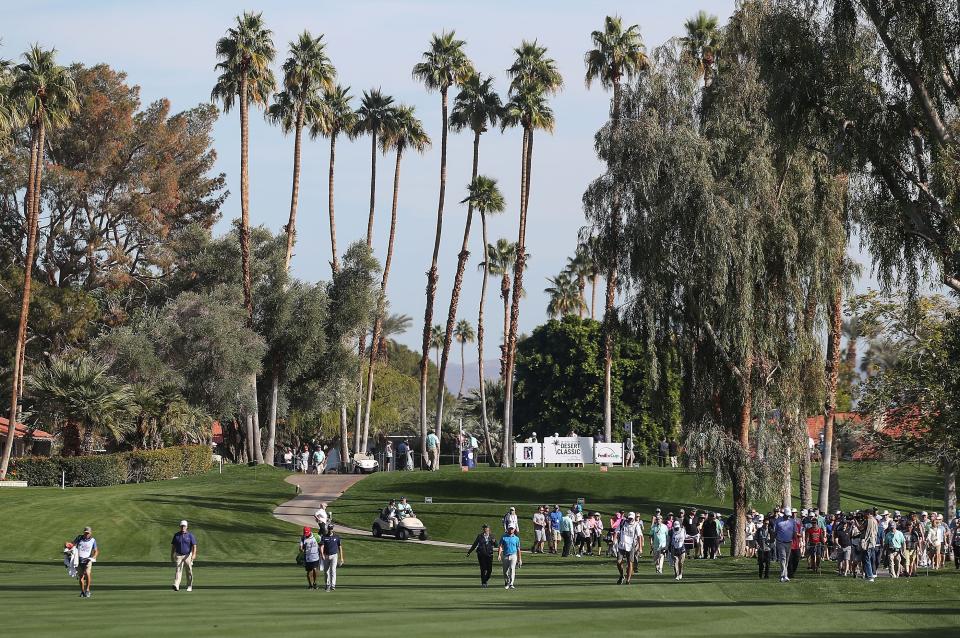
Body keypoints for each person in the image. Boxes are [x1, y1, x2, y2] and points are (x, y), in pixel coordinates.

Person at [171, 519, 197, 592]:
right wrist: (172, 555)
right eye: (182, 526)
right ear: (180, 526)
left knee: (189, 571)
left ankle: (189, 586)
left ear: (187, 527)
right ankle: (176, 585)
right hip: (178, 555)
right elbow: (173, 546)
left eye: (184, 526)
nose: (183, 528)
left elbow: (194, 546)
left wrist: (194, 554)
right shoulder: (176, 535)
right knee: (178, 570)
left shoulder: (190, 535)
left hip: (188, 555)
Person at [615, 512, 640, 585]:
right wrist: (614, 540)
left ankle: (628, 580)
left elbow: (639, 536)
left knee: (630, 563)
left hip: (631, 546)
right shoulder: (622, 523)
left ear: (634, 518)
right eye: (629, 518)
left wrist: (640, 547)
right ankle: (622, 575)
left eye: (631, 518)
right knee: (618, 562)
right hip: (622, 545)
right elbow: (616, 531)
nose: (630, 519)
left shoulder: (636, 525)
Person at [73, 526, 99, 598]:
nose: (86, 534)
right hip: (78, 560)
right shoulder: (79, 538)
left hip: (88, 560)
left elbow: (96, 551)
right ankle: (82, 591)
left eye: (88, 533)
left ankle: (87, 590)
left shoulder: (93, 540)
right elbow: (73, 545)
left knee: (87, 574)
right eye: (85, 533)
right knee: (81, 576)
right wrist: (68, 546)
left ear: (90, 533)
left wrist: (93, 557)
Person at [320, 525, 344, 591]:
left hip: (334, 555)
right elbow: (321, 546)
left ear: (333, 529)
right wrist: (322, 554)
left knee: (333, 570)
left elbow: (340, 547)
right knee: (326, 571)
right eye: (329, 529)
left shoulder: (337, 537)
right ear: (327, 529)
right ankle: (327, 584)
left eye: (331, 529)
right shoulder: (324, 537)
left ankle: (333, 585)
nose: (330, 530)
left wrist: (341, 557)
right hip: (326, 555)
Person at [497, 525, 522, 589]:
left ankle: (511, 583)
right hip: (505, 555)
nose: (511, 530)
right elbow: (500, 546)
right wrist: (499, 555)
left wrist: (520, 559)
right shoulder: (503, 537)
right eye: (510, 529)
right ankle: (507, 582)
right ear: (507, 529)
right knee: (505, 571)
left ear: (514, 530)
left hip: (513, 555)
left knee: (512, 569)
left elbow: (518, 549)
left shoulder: (516, 538)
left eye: (512, 529)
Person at [774, 508, 795, 582]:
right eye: (787, 515)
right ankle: (784, 575)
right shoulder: (778, 521)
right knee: (783, 558)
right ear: (784, 514)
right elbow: (775, 531)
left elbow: (794, 532)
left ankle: (784, 575)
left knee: (787, 559)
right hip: (780, 542)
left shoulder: (792, 521)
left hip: (789, 542)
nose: (788, 517)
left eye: (789, 515)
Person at [862, 510, 879, 582]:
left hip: (868, 543)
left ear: (869, 514)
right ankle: (870, 574)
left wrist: (864, 542)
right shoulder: (875, 520)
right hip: (873, 542)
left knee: (867, 560)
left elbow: (867, 532)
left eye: (865, 514)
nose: (864, 515)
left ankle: (870, 576)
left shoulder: (869, 520)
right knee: (870, 559)